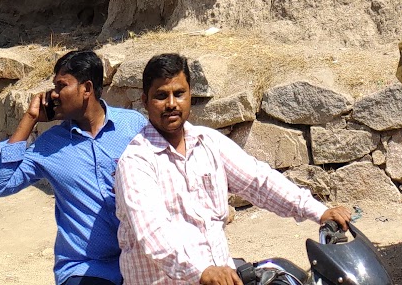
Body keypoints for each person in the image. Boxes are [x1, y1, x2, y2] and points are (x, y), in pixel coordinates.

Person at [114, 53, 352, 285]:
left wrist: (318, 211)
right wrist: (202, 271)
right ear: (145, 101)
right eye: (161, 96)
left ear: (190, 96)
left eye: (179, 93)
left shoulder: (208, 142)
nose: (172, 104)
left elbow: (260, 181)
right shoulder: (136, 161)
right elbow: (153, 234)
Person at [0, 48, 147, 285]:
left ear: (87, 89)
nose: (53, 94)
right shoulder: (49, 145)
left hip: (141, 258)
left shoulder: (133, 126)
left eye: (61, 85)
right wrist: (29, 119)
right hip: (87, 268)